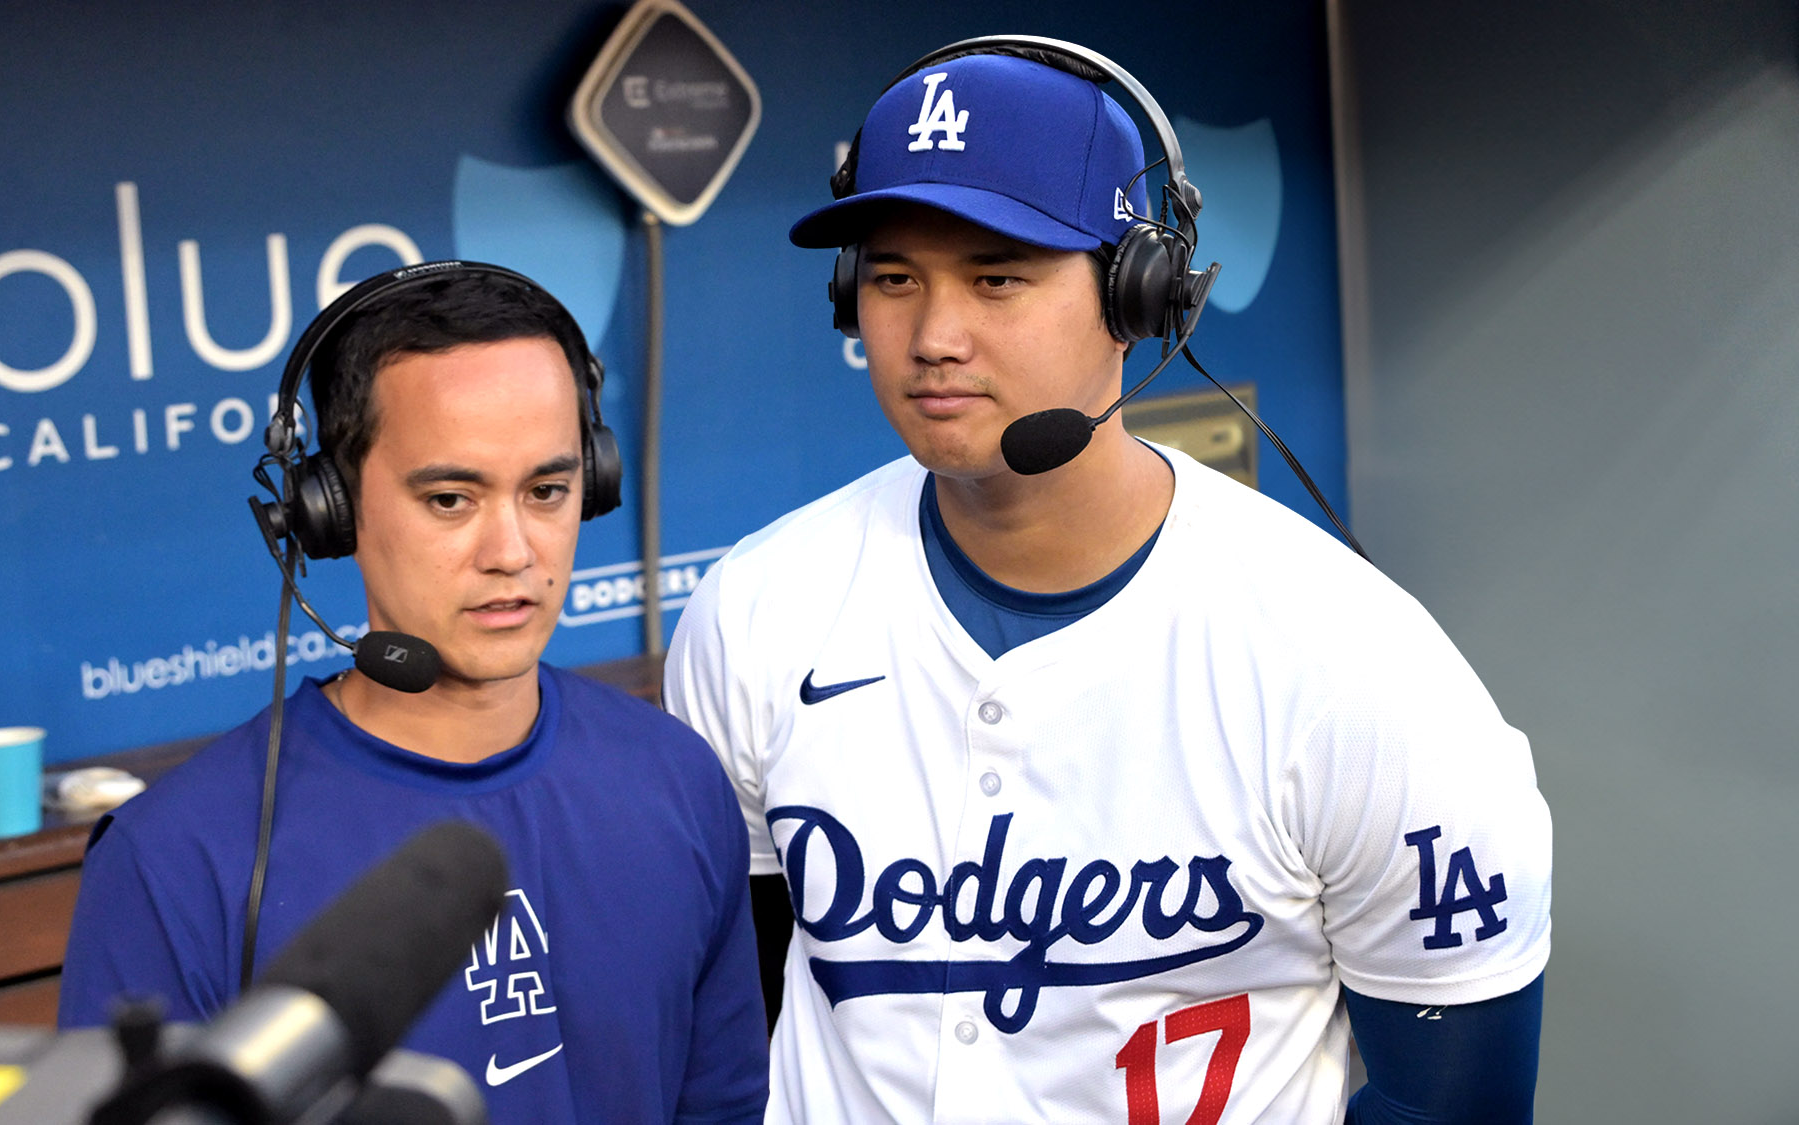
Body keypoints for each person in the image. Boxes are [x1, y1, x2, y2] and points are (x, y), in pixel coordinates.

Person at [664, 42, 1551, 1124]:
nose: (934, 337)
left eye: (998, 276)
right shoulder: (755, 610)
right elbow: (730, 1032)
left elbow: (1448, 1108)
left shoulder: (1356, 668)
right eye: (894, 277)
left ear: (1140, 292)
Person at [60, 264, 769, 1125]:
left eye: (546, 491)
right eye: (449, 498)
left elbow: (723, 1106)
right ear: (331, 509)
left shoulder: (678, 780)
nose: (512, 549)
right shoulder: (175, 859)